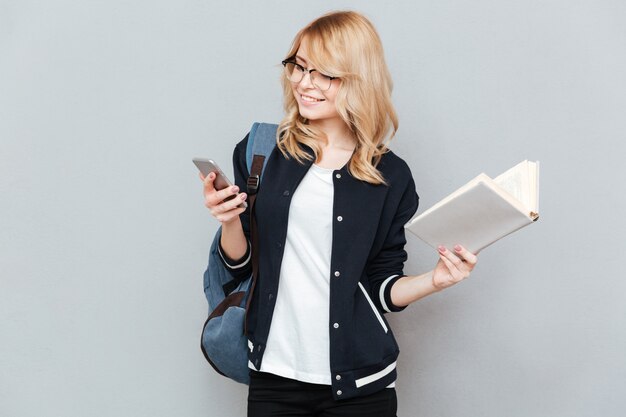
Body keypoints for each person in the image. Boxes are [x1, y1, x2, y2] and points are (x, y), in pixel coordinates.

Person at [199, 10, 478, 417]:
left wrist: (435, 280)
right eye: (299, 66)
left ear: (358, 79)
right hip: (273, 377)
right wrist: (227, 219)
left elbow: (381, 287)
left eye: (323, 73)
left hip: (360, 384)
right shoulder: (262, 150)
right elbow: (239, 262)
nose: (303, 83)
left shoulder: (390, 176)